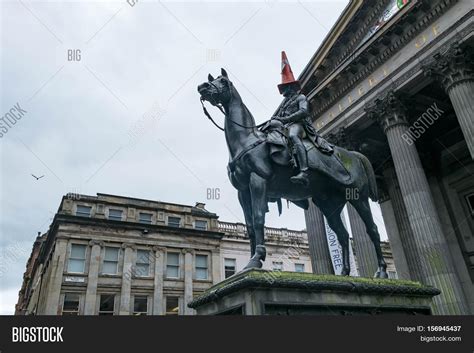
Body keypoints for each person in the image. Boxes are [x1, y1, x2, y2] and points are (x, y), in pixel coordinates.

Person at [272, 51, 333, 186]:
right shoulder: (284, 104)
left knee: (293, 136)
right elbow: (279, 118)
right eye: (283, 89)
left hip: (300, 126)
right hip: (286, 126)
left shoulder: (301, 98)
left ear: (291, 87)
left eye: (285, 88)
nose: (284, 92)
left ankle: (304, 172)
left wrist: (286, 119)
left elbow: (304, 112)